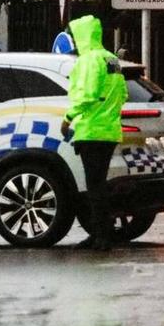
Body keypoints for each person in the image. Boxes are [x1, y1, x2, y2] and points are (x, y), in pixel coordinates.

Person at [64, 14, 127, 248]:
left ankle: (102, 235)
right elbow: (123, 94)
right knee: (99, 183)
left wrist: (68, 117)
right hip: (110, 130)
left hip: (91, 130)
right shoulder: (111, 59)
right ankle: (101, 232)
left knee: (95, 186)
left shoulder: (89, 60)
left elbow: (87, 95)